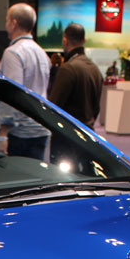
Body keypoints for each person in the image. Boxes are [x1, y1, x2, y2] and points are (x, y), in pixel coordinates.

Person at [0, 3, 51, 159]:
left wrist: (3, 135)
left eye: (7, 21)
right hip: (40, 129)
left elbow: (11, 93)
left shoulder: (13, 53)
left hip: (18, 133)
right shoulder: (42, 53)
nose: (6, 25)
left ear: (14, 23)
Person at [48, 23, 103, 166]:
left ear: (65, 40)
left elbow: (54, 106)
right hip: (89, 135)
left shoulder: (68, 69)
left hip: (67, 139)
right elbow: (97, 108)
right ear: (84, 40)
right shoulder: (95, 69)